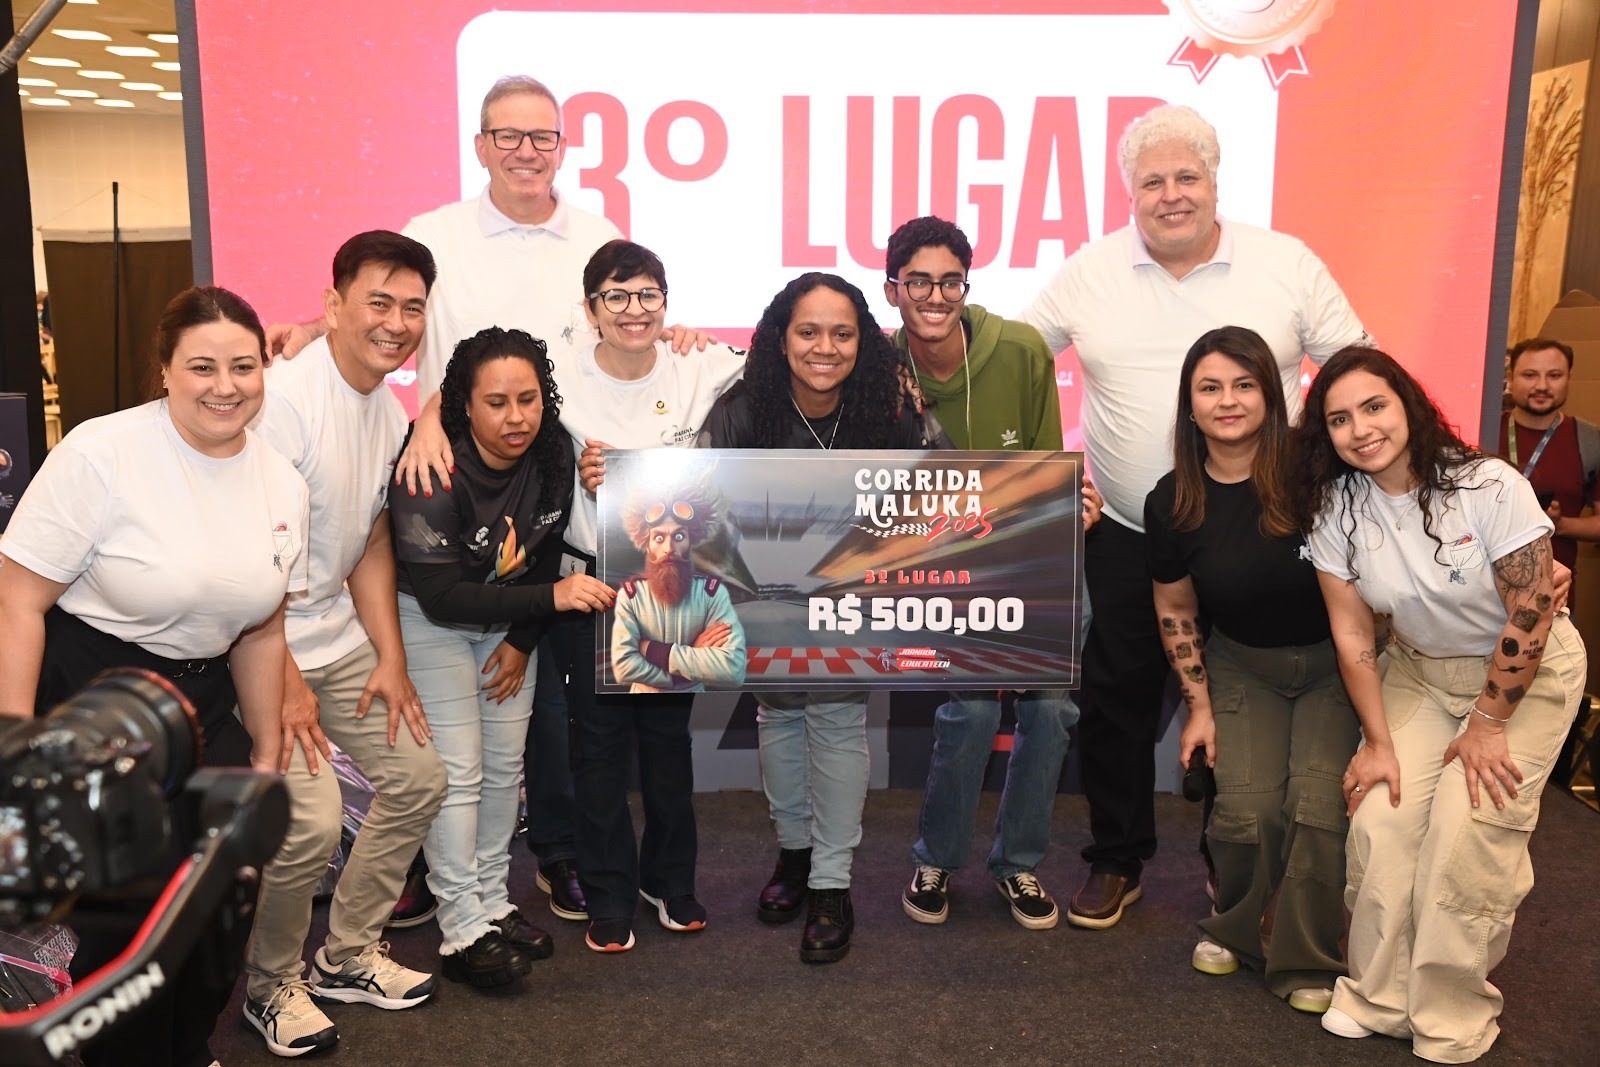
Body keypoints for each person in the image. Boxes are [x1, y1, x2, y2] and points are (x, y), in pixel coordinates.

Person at [266, 74, 627, 922]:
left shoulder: (599, 234)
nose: (526, 151)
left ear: (563, 146)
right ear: (480, 145)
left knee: (530, 722)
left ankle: (540, 861)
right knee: (452, 743)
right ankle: (448, 881)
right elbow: (384, 313)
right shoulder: (435, 232)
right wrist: (318, 335)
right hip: (448, 481)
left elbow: (627, 320)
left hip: (554, 484)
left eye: (542, 137)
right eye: (508, 136)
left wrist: (675, 331)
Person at [1019, 103, 1369, 928]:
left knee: (1241, 701)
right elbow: (1012, 364)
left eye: (1187, 176)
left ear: (1214, 181)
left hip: (1263, 535)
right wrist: (1042, 480)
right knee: (1115, 702)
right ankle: (1117, 858)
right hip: (1125, 531)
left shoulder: (1286, 263)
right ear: (1129, 193)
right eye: (1152, 182)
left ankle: (1232, 866)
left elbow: (1362, 370)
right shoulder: (1088, 271)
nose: (1171, 194)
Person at [0, 285, 309, 1067]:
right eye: (202, 366)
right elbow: (17, 599)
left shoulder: (282, 479)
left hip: (206, 700)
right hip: (97, 693)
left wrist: (264, 748)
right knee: (124, 924)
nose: (224, 385)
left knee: (217, 906)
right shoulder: (100, 454)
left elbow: (262, 624)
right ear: (165, 368)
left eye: (243, 365)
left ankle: (190, 1045)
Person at [1292, 347, 1585, 1062]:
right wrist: (1377, 742)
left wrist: (1488, 722)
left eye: (1374, 406)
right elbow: (1353, 634)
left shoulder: (1487, 484)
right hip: (1420, 673)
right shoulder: (1336, 507)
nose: (1360, 429)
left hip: (1522, 676)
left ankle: (1451, 1013)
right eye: (1339, 419)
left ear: (1409, 404)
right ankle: (1378, 995)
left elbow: (1532, 612)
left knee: (1466, 830)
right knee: (1382, 820)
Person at [240, 231, 448, 1057]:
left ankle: (348, 954)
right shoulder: (285, 400)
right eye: (378, 302)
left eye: (412, 308)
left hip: (335, 635)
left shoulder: (387, 408)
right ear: (333, 306)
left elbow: (369, 541)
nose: (396, 322)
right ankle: (269, 985)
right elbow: (247, 553)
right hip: (259, 644)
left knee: (419, 777)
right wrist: (284, 678)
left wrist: (390, 657)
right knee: (314, 820)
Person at [698, 272, 945, 963]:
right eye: (809, 331)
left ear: (864, 341)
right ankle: (796, 854)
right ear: (782, 337)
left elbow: (951, 486)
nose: (825, 347)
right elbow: (695, 503)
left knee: (836, 722)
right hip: (764, 605)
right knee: (779, 715)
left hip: (856, 606)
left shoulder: (892, 407)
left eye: (842, 333)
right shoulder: (741, 410)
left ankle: (832, 884)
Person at [390, 325, 616, 987]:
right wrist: (550, 600)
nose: (516, 417)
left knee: (501, 770)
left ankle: (491, 903)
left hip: (509, 623)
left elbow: (544, 547)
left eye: (528, 398)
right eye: (497, 402)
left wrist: (521, 638)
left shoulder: (552, 454)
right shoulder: (432, 470)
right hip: (434, 622)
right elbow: (441, 594)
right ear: (464, 405)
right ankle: (461, 929)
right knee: (459, 774)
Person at [882, 216, 1089, 930]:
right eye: (918, 282)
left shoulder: (1023, 350)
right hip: (938, 562)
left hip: (1027, 551)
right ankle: (938, 857)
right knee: (970, 710)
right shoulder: (877, 366)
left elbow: (1045, 465)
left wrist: (1069, 504)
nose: (935, 297)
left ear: (966, 286)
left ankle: (1018, 862)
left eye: (950, 282)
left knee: (1050, 709)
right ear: (893, 289)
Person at [1143, 326, 1359, 1013]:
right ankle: (1234, 928)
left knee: (1317, 808)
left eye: (1244, 385)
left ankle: (1309, 957)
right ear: (1190, 403)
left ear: (1271, 393)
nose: (1228, 401)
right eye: (1210, 387)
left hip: (1336, 667)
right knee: (1247, 809)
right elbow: (1176, 608)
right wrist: (1199, 705)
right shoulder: (1171, 498)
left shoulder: (1318, 469)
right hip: (1241, 665)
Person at [611, 478, 746, 693]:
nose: (669, 548)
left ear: (691, 541)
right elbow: (624, 668)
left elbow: (733, 668)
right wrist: (692, 657)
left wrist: (650, 649)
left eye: (679, 536)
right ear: (647, 543)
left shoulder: (712, 594)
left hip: (693, 706)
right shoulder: (631, 596)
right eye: (659, 538)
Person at [1497, 337, 1600, 579]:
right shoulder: (1482, 432)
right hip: (1480, 590)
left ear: (1569, 378)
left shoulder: (1590, 441)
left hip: (1554, 591)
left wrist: (1560, 524)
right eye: (1529, 375)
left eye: (1554, 376)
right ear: (1511, 378)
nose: (1542, 386)